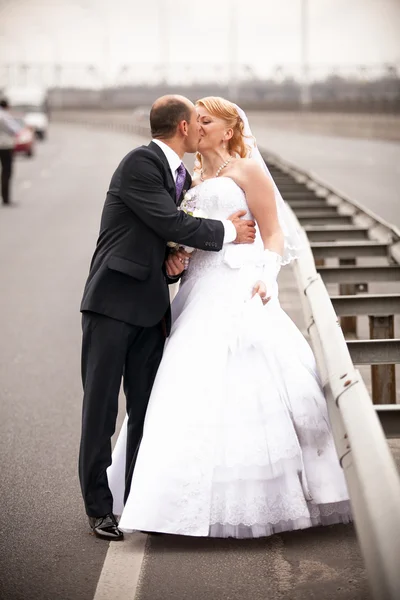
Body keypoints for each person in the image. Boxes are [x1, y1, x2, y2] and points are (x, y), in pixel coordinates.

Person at [107, 97, 352, 539]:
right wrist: (175, 256)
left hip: (238, 286)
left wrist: (266, 276)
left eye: (206, 120)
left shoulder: (246, 171)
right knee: (179, 387)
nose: (196, 127)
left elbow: (273, 232)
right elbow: (179, 230)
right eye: (194, 120)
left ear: (227, 130)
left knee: (248, 382)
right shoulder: (188, 180)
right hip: (196, 292)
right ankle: (166, 503)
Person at [79, 95, 258, 541]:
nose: (200, 127)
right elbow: (169, 222)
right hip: (112, 304)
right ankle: (99, 509)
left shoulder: (179, 175)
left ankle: (137, 501)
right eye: (195, 121)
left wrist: (169, 260)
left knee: (146, 411)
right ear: (182, 127)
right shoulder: (140, 163)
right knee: (101, 411)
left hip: (153, 307)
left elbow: (159, 233)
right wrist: (230, 231)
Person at [0, 99, 21, 206]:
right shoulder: (5, 116)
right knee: (6, 171)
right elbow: (15, 129)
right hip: (5, 145)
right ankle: (5, 198)